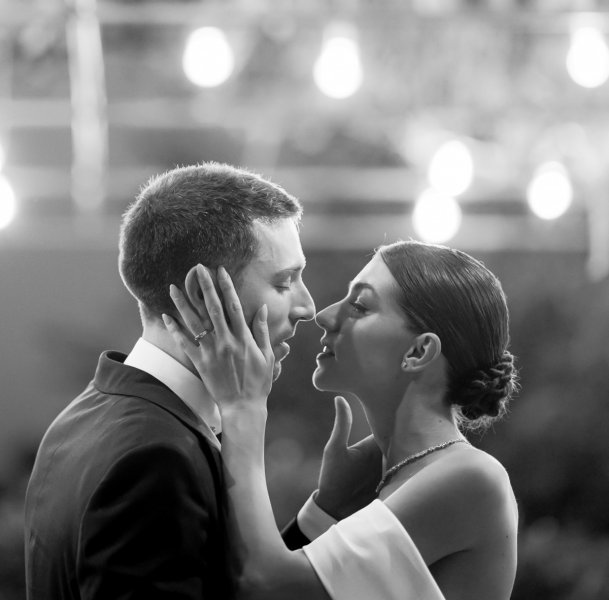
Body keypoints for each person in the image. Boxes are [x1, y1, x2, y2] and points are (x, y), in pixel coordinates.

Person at [164, 240, 520, 600]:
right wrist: (325, 509)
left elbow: (263, 586)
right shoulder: (398, 474)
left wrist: (244, 409)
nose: (324, 315)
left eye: (360, 306)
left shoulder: (472, 478)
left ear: (418, 352)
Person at [23, 162, 316, 599]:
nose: (307, 307)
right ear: (205, 294)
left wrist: (320, 515)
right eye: (285, 281)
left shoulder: (85, 416)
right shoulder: (156, 459)